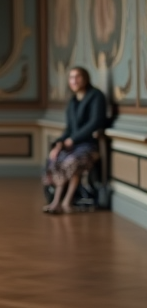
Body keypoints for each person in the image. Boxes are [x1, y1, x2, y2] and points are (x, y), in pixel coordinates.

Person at [43, 66, 107, 214]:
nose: (74, 80)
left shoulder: (96, 96)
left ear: (85, 78)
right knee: (55, 158)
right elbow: (69, 129)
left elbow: (95, 122)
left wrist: (73, 139)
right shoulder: (72, 102)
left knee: (72, 162)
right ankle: (56, 201)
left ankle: (65, 202)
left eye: (77, 77)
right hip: (73, 146)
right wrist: (59, 144)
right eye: (71, 77)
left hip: (90, 146)